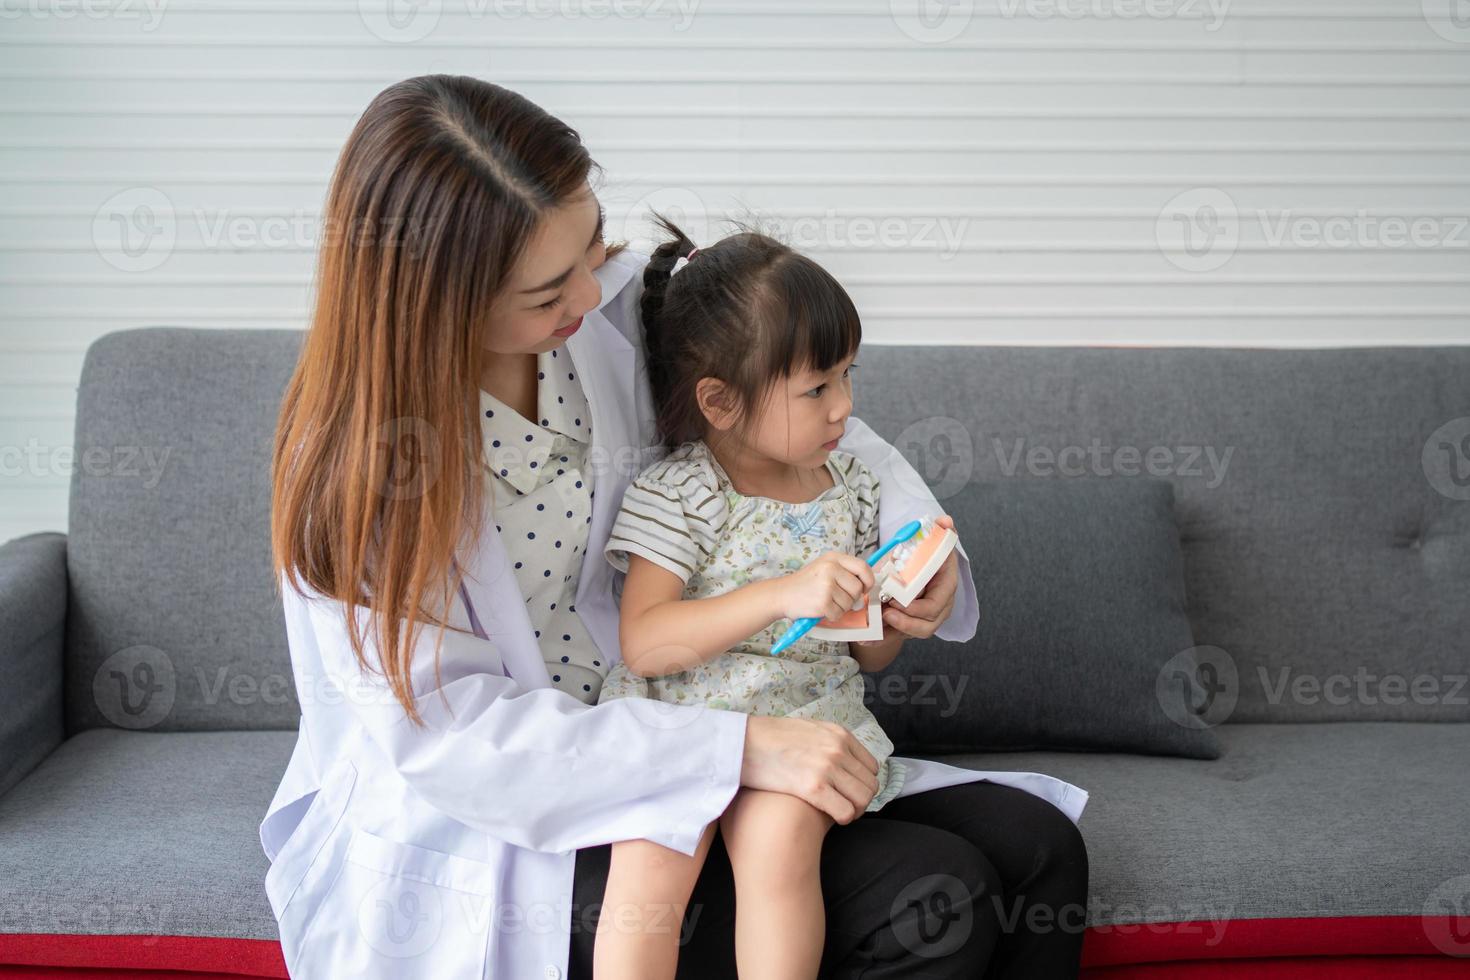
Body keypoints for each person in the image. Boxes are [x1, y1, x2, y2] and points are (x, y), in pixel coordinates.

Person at [260, 74, 1090, 980]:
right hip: (525, 804)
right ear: (438, 303)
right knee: (942, 895)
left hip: (704, 703)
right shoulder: (364, 473)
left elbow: (799, 420)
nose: (592, 290)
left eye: (590, 243)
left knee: (1036, 849)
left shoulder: (600, 317)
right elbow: (458, 743)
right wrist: (740, 748)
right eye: (547, 292)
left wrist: (918, 542)